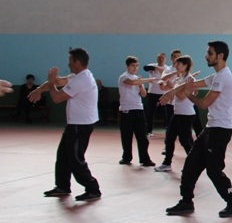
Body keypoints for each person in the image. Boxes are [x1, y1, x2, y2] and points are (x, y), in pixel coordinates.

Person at [162, 41, 232, 218]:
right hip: (210, 128)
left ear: (220, 56)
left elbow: (204, 103)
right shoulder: (216, 76)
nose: (206, 56)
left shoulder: (223, 77)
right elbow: (192, 84)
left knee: (214, 170)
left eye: (210, 53)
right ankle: (186, 202)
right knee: (191, 165)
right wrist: (171, 92)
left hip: (220, 130)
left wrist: (189, 95)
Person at [28, 48, 102, 201]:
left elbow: (56, 97)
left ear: (77, 62)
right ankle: (62, 186)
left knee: (75, 159)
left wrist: (50, 81)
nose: (68, 64)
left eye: (70, 61)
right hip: (74, 124)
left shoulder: (82, 80)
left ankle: (92, 188)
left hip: (80, 125)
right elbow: (58, 82)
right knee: (63, 156)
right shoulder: (78, 76)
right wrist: (38, 90)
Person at [154, 55, 197, 172]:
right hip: (177, 112)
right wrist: (165, 86)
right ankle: (167, 163)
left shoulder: (190, 79)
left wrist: (172, 87)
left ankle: (195, 163)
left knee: (185, 140)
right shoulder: (179, 78)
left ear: (185, 65)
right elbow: (169, 91)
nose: (175, 66)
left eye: (178, 64)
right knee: (169, 138)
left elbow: (182, 96)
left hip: (186, 114)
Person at [117, 56, 158, 167]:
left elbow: (144, 94)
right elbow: (131, 82)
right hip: (127, 110)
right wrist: (149, 80)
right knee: (126, 136)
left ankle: (145, 159)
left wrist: (141, 85)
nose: (135, 68)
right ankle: (126, 157)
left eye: (136, 66)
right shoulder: (124, 77)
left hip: (138, 109)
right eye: (132, 66)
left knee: (142, 137)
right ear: (127, 66)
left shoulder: (137, 79)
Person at [143, 53, 168, 136]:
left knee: (166, 113)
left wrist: (159, 69)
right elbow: (145, 67)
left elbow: (165, 73)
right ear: (157, 59)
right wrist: (155, 67)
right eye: (159, 58)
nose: (161, 59)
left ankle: (168, 130)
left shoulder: (167, 68)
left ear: (165, 59)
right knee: (150, 113)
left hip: (163, 93)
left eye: (162, 58)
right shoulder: (152, 66)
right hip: (152, 93)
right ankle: (148, 131)